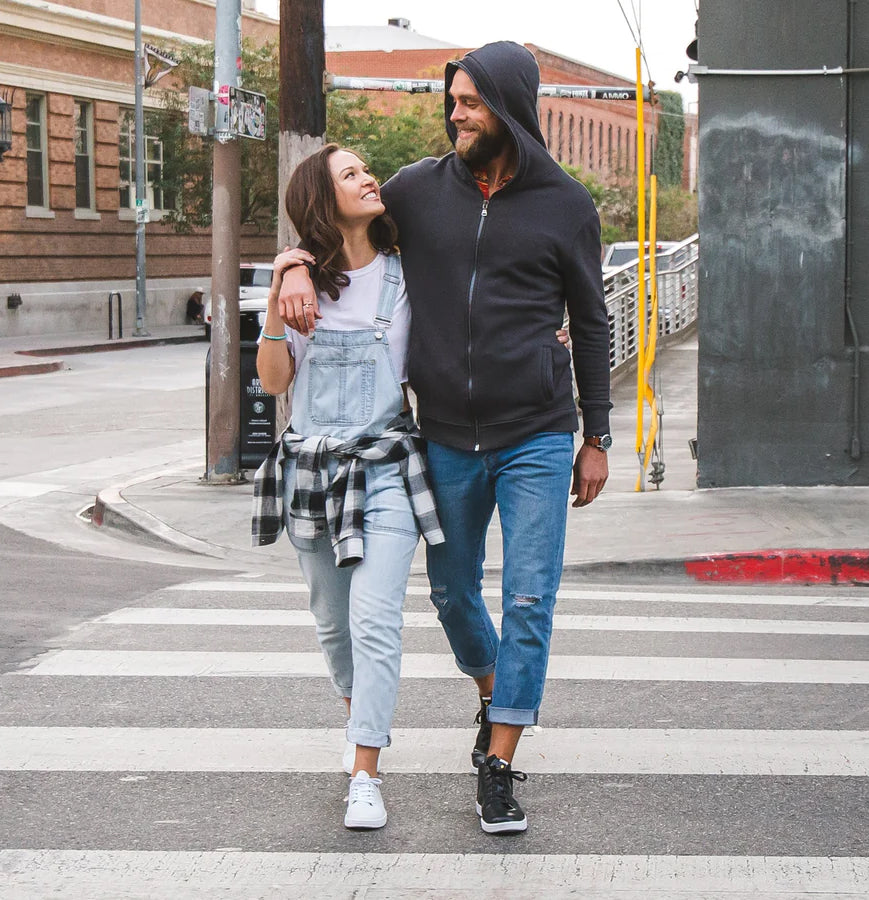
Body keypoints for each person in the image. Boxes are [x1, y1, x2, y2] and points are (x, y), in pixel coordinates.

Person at [279, 42, 612, 835]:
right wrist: (293, 263)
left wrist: (596, 434)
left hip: (535, 431)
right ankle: (495, 696)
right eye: (451, 101)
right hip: (443, 437)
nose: (454, 115)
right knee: (454, 593)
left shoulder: (566, 205)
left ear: (509, 107)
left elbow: (594, 323)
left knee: (528, 598)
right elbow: (335, 228)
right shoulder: (416, 191)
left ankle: (497, 763)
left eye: (469, 103)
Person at [251, 145, 444, 831]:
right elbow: (274, 383)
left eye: (365, 170)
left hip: (386, 467)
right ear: (320, 199)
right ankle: (355, 721)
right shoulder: (300, 282)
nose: (368, 179)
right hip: (310, 470)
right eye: (351, 174)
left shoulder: (405, 276)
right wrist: (282, 284)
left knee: (374, 621)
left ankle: (365, 770)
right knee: (334, 628)